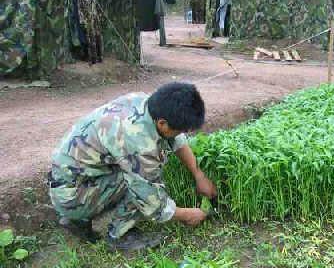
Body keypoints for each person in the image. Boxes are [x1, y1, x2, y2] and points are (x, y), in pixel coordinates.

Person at [48, 83, 217, 250]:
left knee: (140, 171)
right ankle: (118, 235)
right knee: (140, 182)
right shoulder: (137, 140)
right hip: (71, 194)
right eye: (179, 130)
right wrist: (187, 215)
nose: (180, 134)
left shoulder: (146, 103)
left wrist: (198, 174)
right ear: (162, 123)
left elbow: (176, 140)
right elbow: (150, 198)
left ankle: (78, 218)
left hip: (75, 178)